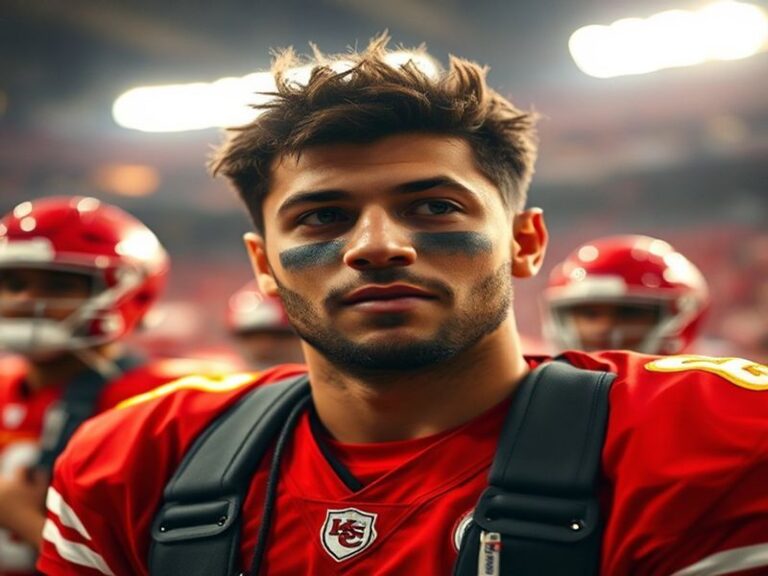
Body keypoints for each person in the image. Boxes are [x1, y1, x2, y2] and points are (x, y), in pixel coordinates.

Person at [37, 36, 767, 576]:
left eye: (434, 206)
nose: (377, 246)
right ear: (262, 265)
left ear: (524, 241)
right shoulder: (135, 462)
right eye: (321, 217)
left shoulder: (710, 442)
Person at [0, 196, 227, 575]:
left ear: (129, 293)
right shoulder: (5, 380)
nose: (25, 300)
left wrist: (20, 516)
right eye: (13, 282)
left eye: (58, 284)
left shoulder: (164, 402)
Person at [542, 234, 710, 354]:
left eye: (627, 312)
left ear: (681, 314)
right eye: (590, 314)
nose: (604, 328)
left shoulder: (708, 393)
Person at [226, 280, 304, 369]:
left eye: (278, 335)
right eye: (250, 336)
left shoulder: (320, 381)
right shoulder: (222, 379)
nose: (264, 347)